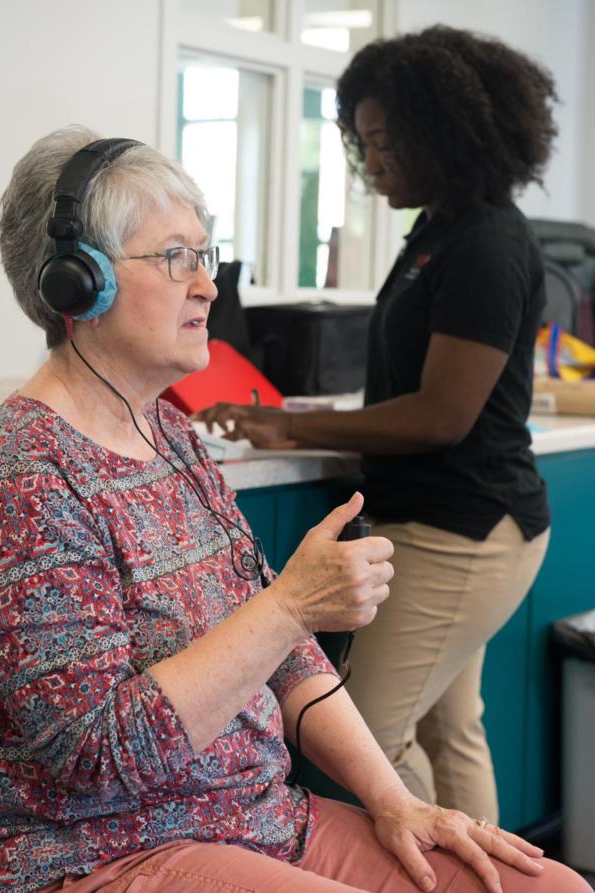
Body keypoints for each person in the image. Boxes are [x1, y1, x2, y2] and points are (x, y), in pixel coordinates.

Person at [0, 126, 587, 893]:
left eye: (205, 255)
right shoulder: (21, 479)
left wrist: (396, 801)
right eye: (175, 257)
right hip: (104, 850)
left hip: (258, 819)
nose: (208, 285)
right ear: (77, 285)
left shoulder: (172, 436)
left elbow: (285, 656)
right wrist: (288, 605)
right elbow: (98, 757)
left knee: (551, 888)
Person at [195, 25, 556, 825]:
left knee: (367, 744)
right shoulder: (439, 229)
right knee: (450, 729)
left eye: (386, 140)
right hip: (450, 518)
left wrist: (293, 429)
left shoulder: (487, 242)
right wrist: (295, 423)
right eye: (362, 142)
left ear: (444, 131)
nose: (372, 161)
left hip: (462, 527)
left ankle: (446, 871)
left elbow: (441, 415)